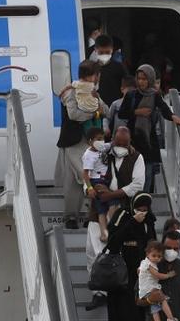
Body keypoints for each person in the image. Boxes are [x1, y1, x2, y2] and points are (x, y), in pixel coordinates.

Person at [85, 126, 144, 311]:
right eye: (117, 143)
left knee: (108, 253)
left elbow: (138, 185)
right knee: (91, 252)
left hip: (120, 212)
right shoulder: (101, 153)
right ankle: (98, 293)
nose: (120, 146)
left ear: (129, 143)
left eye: (123, 144)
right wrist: (91, 190)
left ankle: (108, 291)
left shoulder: (137, 157)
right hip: (97, 209)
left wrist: (112, 195)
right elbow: (87, 174)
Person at [116, 65, 180, 192]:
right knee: (132, 174)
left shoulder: (155, 95)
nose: (141, 82)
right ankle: (133, 202)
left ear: (150, 79)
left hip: (148, 141)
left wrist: (174, 117)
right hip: (132, 139)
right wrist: (138, 112)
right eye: (139, 78)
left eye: (144, 79)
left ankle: (144, 201)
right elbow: (122, 113)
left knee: (147, 174)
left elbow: (164, 109)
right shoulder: (131, 95)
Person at [56, 59, 102, 229]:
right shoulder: (71, 92)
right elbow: (74, 115)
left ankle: (82, 216)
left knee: (79, 179)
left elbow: (103, 108)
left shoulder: (92, 92)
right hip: (75, 141)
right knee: (84, 176)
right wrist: (95, 113)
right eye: (96, 75)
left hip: (90, 141)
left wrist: (98, 109)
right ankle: (76, 216)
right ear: (92, 76)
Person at [105, 192, 157, 320]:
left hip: (140, 274)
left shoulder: (149, 219)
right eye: (139, 210)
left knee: (137, 312)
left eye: (145, 210)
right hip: (121, 273)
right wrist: (133, 222)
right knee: (122, 310)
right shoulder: (122, 215)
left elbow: (152, 241)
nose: (142, 213)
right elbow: (113, 243)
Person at [82, 128, 117, 243]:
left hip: (106, 179)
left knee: (109, 207)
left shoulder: (102, 148)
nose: (101, 141)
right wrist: (90, 188)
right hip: (96, 182)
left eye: (102, 138)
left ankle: (108, 231)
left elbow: (112, 144)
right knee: (103, 209)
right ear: (90, 141)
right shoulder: (88, 155)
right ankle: (105, 232)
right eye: (98, 139)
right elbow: (86, 173)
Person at [139, 241, 179, 321]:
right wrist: (168, 275)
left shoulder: (145, 263)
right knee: (163, 300)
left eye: (159, 256)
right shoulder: (149, 265)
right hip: (149, 289)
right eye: (154, 255)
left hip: (144, 291)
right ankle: (171, 318)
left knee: (155, 308)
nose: (156, 258)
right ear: (147, 254)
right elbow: (157, 275)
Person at [90, 35, 128, 107]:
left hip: (116, 107)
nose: (104, 55)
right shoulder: (91, 68)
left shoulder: (119, 67)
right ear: (95, 50)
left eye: (107, 52)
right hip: (97, 108)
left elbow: (127, 86)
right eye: (101, 52)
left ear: (112, 49)